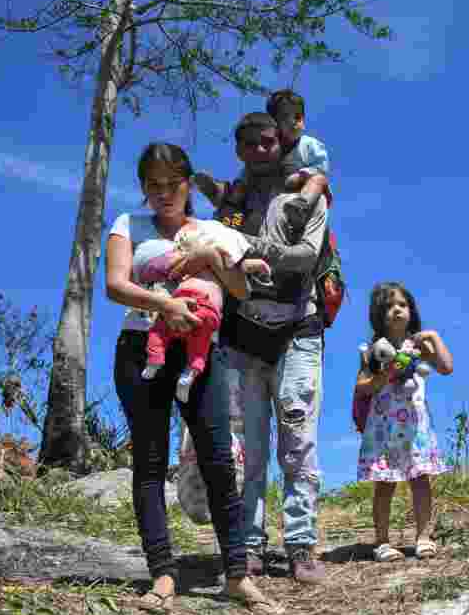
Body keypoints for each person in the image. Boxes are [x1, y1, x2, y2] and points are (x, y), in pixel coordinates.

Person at [105, 142, 281, 613]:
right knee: (149, 461)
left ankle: (237, 574)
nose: (164, 194)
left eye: (173, 184)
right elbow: (115, 284)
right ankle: (162, 574)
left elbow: (242, 288)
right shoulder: (128, 225)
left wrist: (211, 256)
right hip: (142, 349)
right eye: (154, 186)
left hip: (203, 351)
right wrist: (165, 304)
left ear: (188, 184)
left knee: (219, 460)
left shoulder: (213, 230)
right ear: (143, 188)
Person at [195, 112, 330, 584]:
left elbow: (303, 261)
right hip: (241, 336)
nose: (260, 150)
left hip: (298, 330)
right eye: (250, 143)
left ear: (283, 142)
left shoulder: (308, 195)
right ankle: (248, 544)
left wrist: (245, 245)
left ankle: (301, 544)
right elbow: (214, 257)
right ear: (239, 149)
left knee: (297, 442)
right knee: (247, 447)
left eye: (268, 141)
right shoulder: (229, 206)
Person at [352, 281, 454, 563]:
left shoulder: (418, 346)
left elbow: (446, 367)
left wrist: (433, 336)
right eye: (388, 306)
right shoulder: (372, 349)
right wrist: (387, 373)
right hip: (384, 428)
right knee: (385, 483)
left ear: (411, 310)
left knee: (421, 480)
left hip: (415, 427)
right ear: (378, 314)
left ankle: (423, 537)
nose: (396, 310)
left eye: (402, 305)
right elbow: (363, 386)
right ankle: (382, 541)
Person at [138, 217, 271, 405]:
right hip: (208, 309)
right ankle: (189, 375)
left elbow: (174, 271)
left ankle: (155, 359)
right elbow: (243, 267)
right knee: (199, 348)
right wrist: (258, 264)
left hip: (186, 300)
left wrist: (256, 264)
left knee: (160, 330)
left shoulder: (196, 261)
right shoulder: (219, 263)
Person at [193, 89, 332, 241]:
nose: (295, 121)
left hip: (296, 199)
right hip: (258, 213)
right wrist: (237, 192)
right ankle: (225, 203)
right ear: (275, 124)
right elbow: (245, 175)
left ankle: (301, 205)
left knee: (316, 181)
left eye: (299, 116)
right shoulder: (264, 153)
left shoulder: (308, 145)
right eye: (286, 117)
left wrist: (301, 176)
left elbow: (320, 167)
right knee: (238, 206)